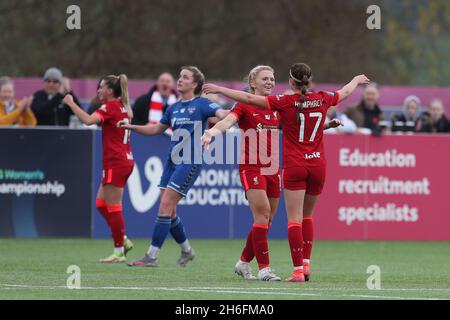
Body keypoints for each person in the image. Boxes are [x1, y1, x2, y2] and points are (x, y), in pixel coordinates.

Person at [203, 63, 369, 282]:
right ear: (253, 83)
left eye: (272, 78)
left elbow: (297, 125)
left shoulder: (279, 106)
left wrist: (326, 126)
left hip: (273, 168)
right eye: (265, 79)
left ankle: (243, 262)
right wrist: (211, 132)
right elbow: (227, 122)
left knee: (267, 220)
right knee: (262, 214)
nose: (270, 82)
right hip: (251, 166)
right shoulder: (244, 105)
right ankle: (265, 269)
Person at [120, 66, 229, 268]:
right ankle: (187, 251)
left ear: (195, 84)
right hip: (172, 160)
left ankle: (151, 257)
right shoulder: (174, 108)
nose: (179, 80)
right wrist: (132, 127)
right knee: (169, 211)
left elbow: (221, 113)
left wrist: (233, 114)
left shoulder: (202, 104)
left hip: (190, 161)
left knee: (164, 206)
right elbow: (155, 129)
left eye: (185, 77)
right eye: (179, 77)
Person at [63, 75, 135, 263]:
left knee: (114, 207)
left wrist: (71, 103)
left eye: (101, 87)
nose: (98, 90)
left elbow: (87, 120)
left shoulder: (110, 107)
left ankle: (118, 251)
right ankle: (123, 240)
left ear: (110, 91)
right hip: (123, 160)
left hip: (116, 162)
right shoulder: (123, 106)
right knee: (101, 204)